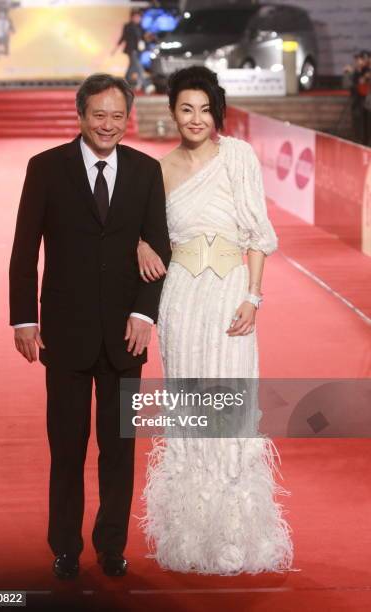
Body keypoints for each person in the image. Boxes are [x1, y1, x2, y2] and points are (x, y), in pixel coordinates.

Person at [9, 74, 171, 579]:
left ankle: (111, 546)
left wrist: (145, 314)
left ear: (129, 118)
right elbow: (23, 250)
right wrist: (23, 318)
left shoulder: (146, 171)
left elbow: (159, 245)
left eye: (117, 116)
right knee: (67, 446)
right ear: (80, 116)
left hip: (127, 336)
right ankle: (64, 546)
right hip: (65, 332)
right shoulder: (46, 168)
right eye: (98, 115)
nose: (108, 125)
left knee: (119, 450)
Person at [137, 66, 293, 574]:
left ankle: (233, 535)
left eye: (205, 109)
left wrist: (254, 297)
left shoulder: (238, 156)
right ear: (173, 112)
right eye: (186, 108)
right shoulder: (158, 170)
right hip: (181, 301)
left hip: (230, 295)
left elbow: (257, 234)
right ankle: (190, 535)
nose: (196, 118)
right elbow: (146, 232)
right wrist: (140, 241)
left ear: (217, 110)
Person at [112, 9, 153, 93]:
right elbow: (123, 37)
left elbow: (144, 38)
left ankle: (123, 84)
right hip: (131, 50)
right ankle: (146, 85)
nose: (138, 18)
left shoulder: (140, 27)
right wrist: (115, 49)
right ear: (132, 17)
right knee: (139, 67)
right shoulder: (127, 26)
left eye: (139, 17)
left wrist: (149, 38)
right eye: (137, 17)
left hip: (139, 50)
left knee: (131, 68)